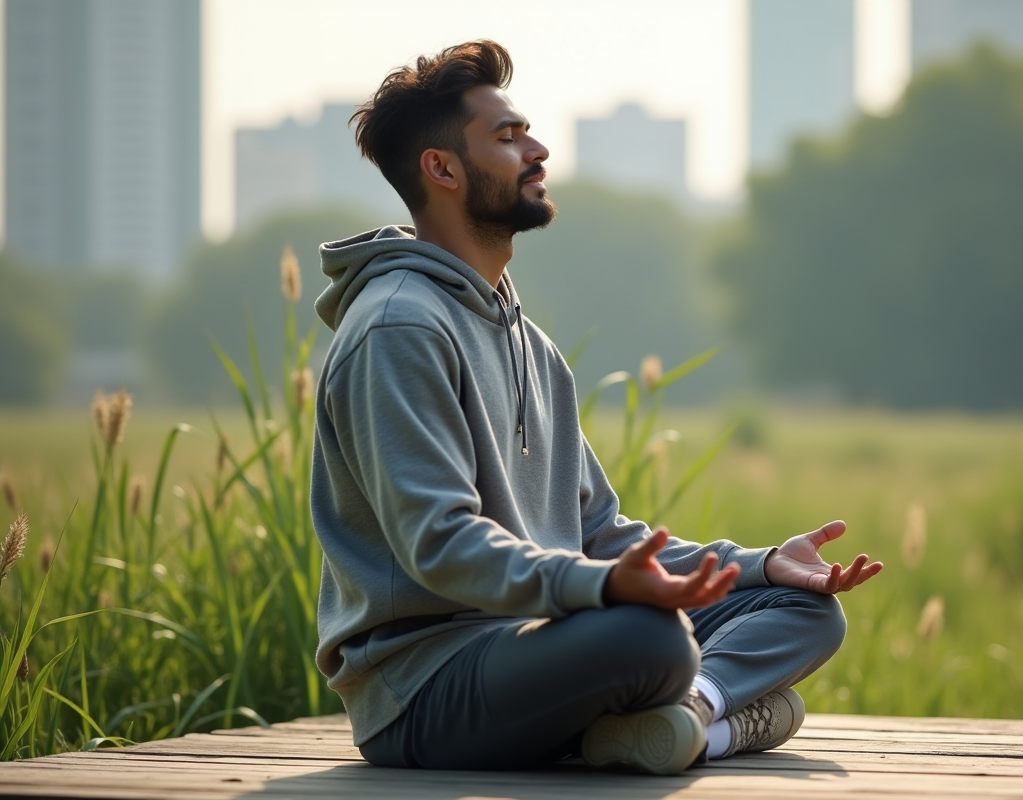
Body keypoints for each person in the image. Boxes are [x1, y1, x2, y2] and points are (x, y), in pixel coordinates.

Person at [309, 39, 883, 776]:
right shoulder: (397, 328)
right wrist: (606, 590)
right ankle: (714, 715)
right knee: (650, 639)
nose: (538, 149)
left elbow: (601, 536)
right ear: (442, 168)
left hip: (543, 642)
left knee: (805, 611)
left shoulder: (531, 344)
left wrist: (761, 565)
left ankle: (694, 720)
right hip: (426, 689)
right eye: (508, 137)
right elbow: (442, 545)